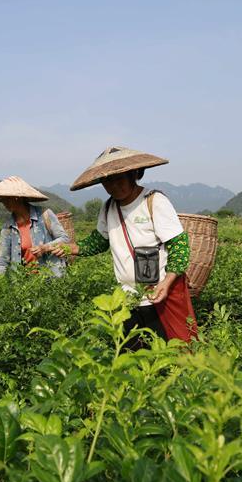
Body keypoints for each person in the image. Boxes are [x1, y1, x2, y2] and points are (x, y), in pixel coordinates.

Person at [51, 146, 197, 343]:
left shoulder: (153, 201)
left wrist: (167, 282)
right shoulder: (108, 207)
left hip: (160, 294)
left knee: (171, 350)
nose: (113, 186)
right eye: (107, 181)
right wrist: (70, 248)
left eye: (118, 179)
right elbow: (99, 242)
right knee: (133, 353)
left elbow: (179, 245)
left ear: (134, 174)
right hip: (128, 298)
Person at [0, 176, 69, 277]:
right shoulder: (8, 227)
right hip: (25, 285)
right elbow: (1, 261)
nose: (4, 202)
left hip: (53, 278)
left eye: (8, 198)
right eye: (3, 199)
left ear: (18, 198)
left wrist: (45, 248)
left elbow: (65, 239)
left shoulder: (44, 214)